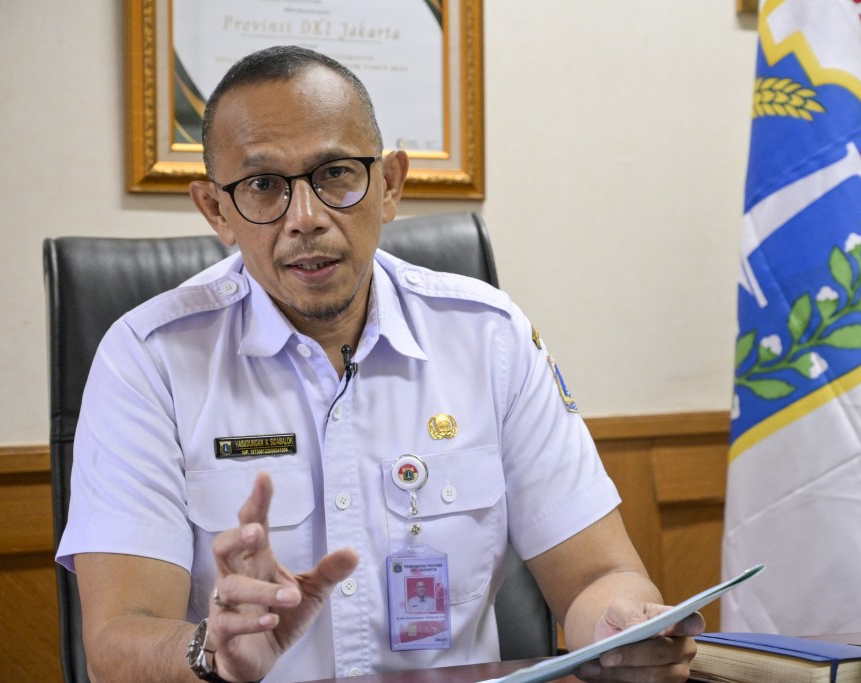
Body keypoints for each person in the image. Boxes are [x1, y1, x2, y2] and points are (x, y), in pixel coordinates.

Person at [56, 45, 703, 683]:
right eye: (263, 186)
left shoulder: (489, 337)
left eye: (335, 173)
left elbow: (598, 575)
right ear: (217, 210)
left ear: (389, 184)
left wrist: (621, 628)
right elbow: (117, 640)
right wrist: (209, 652)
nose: (305, 218)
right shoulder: (148, 360)